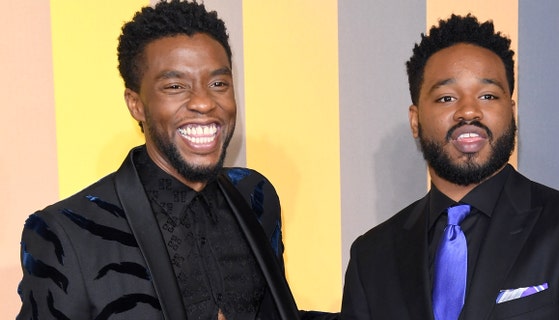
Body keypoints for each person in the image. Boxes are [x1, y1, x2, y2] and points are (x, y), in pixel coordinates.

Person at [17, 1, 338, 319]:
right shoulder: (68, 232)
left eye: (218, 84)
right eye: (175, 86)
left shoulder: (255, 196)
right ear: (136, 104)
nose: (203, 102)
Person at [341, 14, 559, 320]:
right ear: (415, 120)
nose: (468, 110)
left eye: (488, 96)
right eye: (446, 97)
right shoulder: (371, 257)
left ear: (510, 112)